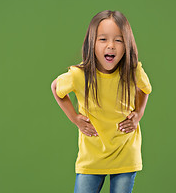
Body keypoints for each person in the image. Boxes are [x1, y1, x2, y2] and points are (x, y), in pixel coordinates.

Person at [51, 10, 152, 193]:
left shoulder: (133, 70)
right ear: (92, 43)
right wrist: (75, 119)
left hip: (125, 153)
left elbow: (144, 90)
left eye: (118, 40)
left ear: (127, 44)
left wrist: (139, 114)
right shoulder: (78, 75)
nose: (111, 46)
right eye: (103, 39)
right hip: (92, 156)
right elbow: (56, 88)